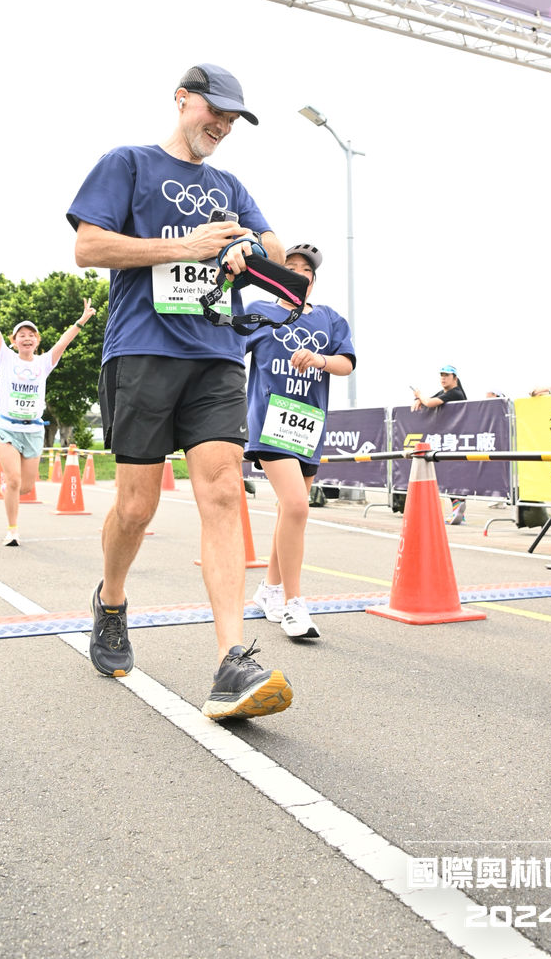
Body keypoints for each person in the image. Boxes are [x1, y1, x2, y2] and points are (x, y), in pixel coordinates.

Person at [67, 62, 293, 722]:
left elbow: (274, 246)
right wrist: (184, 247)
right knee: (136, 507)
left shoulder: (230, 186)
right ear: (182, 100)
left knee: (222, 492)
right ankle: (111, 601)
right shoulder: (129, 163)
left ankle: (231, 660)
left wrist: (247, 249)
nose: (222, 126)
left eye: (233, 119)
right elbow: (88, 247)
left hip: (216, 353)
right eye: (214, 111)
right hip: (142, 350)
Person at [245, 244, 355, 640]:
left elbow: (346, 363)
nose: (297, 272)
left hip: (308, 424)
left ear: (313, 279)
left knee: (288, 512)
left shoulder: (329, 319)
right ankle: (293, 603)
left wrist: (319, 359)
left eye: (305, 269)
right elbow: (226, 349)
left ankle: (269, 589)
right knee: (295, 505)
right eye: (289, 266)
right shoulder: (260, 310)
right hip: (270, 421)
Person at [0, 286, 97, 545]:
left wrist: (82, 320)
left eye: (31, 335)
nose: (26, 338)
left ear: (37, 341)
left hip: (33, 429)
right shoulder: (6, 358)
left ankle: (8, 486)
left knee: (25, 486)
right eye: (21, 335)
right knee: (14, 480)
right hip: (7, 427)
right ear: (14, 341)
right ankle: (12, 530)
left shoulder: (44, 363)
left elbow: (63, 342)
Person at [412, 364, 468, 524]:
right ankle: (458, 512)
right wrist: (419, 399)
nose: (443, 378)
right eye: (441, 375)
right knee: (451, 474)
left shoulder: (455, 393)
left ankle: (459, 511)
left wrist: (419, 395)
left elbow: (429, 403)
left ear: (455, 378)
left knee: (456, 474)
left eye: (447, 375)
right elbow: (428, 400)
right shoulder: (445, 392)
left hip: (458, 439)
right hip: (448, 438)